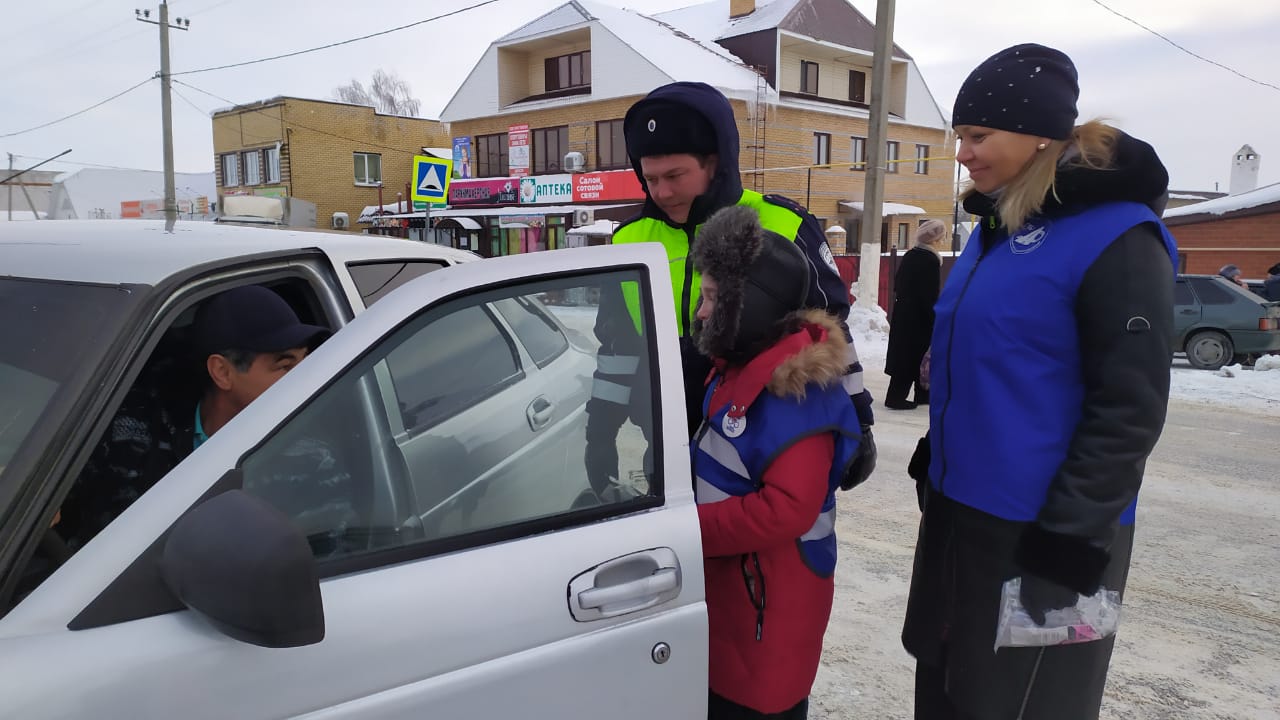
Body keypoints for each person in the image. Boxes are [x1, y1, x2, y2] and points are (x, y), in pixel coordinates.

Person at [902, 44, 1177, 719]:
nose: (962, 153)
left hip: (1044, 531)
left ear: (1039, 135)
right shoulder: (994, 231)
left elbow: (1129, 407)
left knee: (1020, 706)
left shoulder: (1118, 236)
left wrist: (1070, 534)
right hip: (961, 516)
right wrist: (940, 453)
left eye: (978, 136)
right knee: (945, 692)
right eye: (960, 135)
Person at [583, 81, 876, 503]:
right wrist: (600, 430)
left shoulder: (783, 224)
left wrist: (859, 417)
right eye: (650, 179)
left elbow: (829, 330)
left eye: (675, 176)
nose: (662, 192)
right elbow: (617, 347)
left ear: (715, 163)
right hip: (669, 447)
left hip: (768, 448)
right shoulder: (630, 241)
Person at [690, 205, 862, 720]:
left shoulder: (795, 394)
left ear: (751, 307)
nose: (702, 312)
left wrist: (686, 530)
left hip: (768, 608)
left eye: (713, 298)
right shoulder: (741, 369)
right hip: (739, 595)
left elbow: (786, 509)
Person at [57, 285, 332, 552]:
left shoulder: (311, 463)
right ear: (222, 372)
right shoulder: (132, 431)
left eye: (306, 361)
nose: (307, 377)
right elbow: (61, 498)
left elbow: (322, 561)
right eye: (285, 367)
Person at [884, 219, 946, 409]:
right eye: (942, 237)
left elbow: (898, 283)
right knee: (916, 354)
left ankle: (919, 394)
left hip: (904, 312)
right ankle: (898, 398)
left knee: (908, 354)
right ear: (935, 239)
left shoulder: (911, 254)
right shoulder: (930, 259)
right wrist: (934, 316)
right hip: (919, 316)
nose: (943, 241)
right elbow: (929, 293)